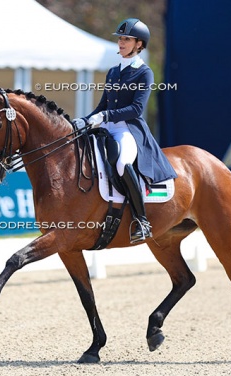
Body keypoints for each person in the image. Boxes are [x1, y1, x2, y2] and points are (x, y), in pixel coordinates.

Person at [73, 18, 177, 244]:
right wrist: (85, 120)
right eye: (120, 38)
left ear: (139, 44)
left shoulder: (143, 73)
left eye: (126, 39)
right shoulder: (113, 72)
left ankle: (142, 220)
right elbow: (103, 105)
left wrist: (106, 117)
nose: (121, 42)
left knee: (122, 163)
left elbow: (137, 109)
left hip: (127, 130)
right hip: (106, 126)